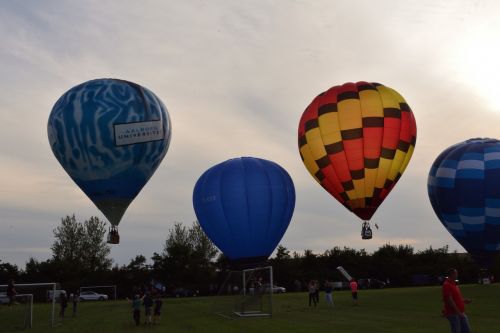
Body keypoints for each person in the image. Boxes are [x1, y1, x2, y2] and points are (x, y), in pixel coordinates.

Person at [442, 268, 472, 333]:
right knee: (456, 330)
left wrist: (463, 301)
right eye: (456, 273)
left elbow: (455, 299)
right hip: (454, 314)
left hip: (460, 312)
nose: (457, 275)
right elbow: (449, 300)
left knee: (466, 330)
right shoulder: (447, 285)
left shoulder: (454, 284)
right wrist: (458, 312)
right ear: (452, 274)